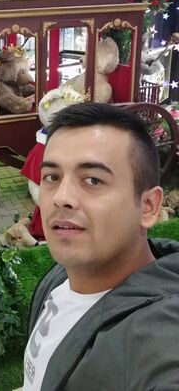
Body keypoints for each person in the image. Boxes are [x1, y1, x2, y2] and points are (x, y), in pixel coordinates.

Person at [23, 103, 179, 390]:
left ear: (148, 206)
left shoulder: (159, 338)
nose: (61, 197)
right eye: (52, 177)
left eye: (93, 180)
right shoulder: (63, 276)